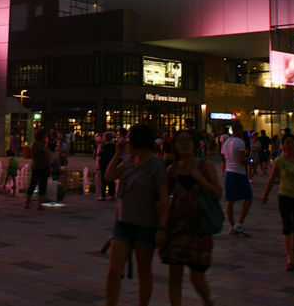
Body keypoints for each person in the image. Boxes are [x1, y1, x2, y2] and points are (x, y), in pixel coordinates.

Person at [105, 123, 168, 306]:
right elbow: (109, 176)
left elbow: (164, 199)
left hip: (145, 225)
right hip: (122, 222)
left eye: (129, 138)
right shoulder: (130, 160)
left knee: (144, 271)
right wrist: (117, 153)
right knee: (113, 271)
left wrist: (161, 229)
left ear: (138, 140)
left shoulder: (155, 164)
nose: (125, 140)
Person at [160, 130, 221, 306]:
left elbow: (217, 194)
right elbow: (165, 197)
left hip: (199, 229)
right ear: (175, 146)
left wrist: (201, 180)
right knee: (175, 275)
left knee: (197, 277)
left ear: (195, 144)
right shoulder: (173, 169)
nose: (185, 144)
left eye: (188, 140)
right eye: (180, 141)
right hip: (177, 228)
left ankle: (207, 301)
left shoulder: (205, 166)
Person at [260, 134, 294, 271]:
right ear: (283, 145)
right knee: (287, 226)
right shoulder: (279, 161)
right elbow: (272, 178)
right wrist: (265, 194)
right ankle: (290, 257)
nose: (290, 146)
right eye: (287, 143)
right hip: (284, 196)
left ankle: (293, 249)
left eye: (292, 143)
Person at [220, 122, 252, 236]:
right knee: (248, 198)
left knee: (230, 200)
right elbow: (241, 160)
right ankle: (240, 223)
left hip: (229, 172)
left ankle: (232, 225)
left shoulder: (227, 141)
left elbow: (224, 156)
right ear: (239, 130)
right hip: (239, 173)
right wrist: (248, 161)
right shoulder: (240, 142)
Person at [24, 128, 51, 210]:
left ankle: (27, 203)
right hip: (43, 167)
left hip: (35, 166)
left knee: (32, 184)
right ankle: (39, 204)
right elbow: (47, 157)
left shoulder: (34, 144)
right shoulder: (44, 145)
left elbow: (31, 154)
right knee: (42, 185)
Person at [98, 132, 117, 200]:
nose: (102, 138)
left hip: (104, 164)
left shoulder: (104, 146)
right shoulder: (114, 146)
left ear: (106, 138)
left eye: (103, 137)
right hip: (111, 164)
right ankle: (112, 194)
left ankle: (103, 195)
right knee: (111, 179)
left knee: (103, 180)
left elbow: (99, 154)